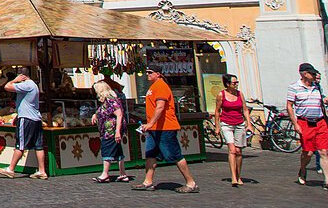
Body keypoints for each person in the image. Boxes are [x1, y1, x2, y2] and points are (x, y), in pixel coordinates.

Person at [132, 62, 198, 193]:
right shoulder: (153, 87)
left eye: (150, 73)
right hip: (154, 129)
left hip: (165, 127)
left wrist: (150, 123)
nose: (147, 75)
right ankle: (148, 182)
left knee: (175, 155)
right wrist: (150, 125)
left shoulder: (161, 86)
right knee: (151, 154)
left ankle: (191, 183)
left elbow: (160, 107)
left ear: (158, 74)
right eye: (147, 72)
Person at [0, 69, 48, 180]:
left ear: (22, 76)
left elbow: (7, 87)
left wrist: (15, 80)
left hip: (26, 118)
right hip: (36, 119)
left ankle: (10, 169)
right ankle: (42, 171)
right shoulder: (34, 85)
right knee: (38, 146)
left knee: (20, 144)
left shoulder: (27, 85)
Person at [287, 61, 328, 188]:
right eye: (312, 73)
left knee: (324, 151)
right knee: (308, 152)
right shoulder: (294, 87)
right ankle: (303, 169)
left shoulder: (317, 86)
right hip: (305, 122)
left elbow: (322, 100)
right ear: (304, 74)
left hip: (320, 121)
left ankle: (327, 180)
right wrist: (295, 123)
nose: (314, 75)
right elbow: (289, 106)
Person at [213, 72, 254, 187]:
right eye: (234, 82)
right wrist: (217, 126)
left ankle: (238, 175)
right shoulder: (221, 95)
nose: (236, 84)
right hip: (226, 124)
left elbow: (245, 109)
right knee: (232, 150)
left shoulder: (240, 94)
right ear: (227, 84)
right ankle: (233, 177)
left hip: (239, 124)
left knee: (239, 151)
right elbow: (217, 111)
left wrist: (249, 124)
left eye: (237, 82)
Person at [91, 80, 128, 183]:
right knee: (117, 151)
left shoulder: (111, 100)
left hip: (110, 130)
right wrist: (95, 114)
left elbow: (119, 115)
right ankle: (123, 174)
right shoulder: (106, 101)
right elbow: (102, 110)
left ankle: (105, 174)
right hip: (109, 129)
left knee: (107, 149)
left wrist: (117, 131)